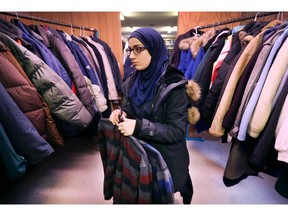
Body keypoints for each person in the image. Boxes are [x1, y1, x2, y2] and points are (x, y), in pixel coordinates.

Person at [109, 27, 200, 204]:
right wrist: (122, 112)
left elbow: (176, 131)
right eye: (130, 50)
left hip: (165, 158)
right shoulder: (133, 80)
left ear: (154, 49)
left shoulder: (174, 86)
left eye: (138, 49)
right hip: (138, 153)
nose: (131, 56)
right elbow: (130, 106)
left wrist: (138, 126)